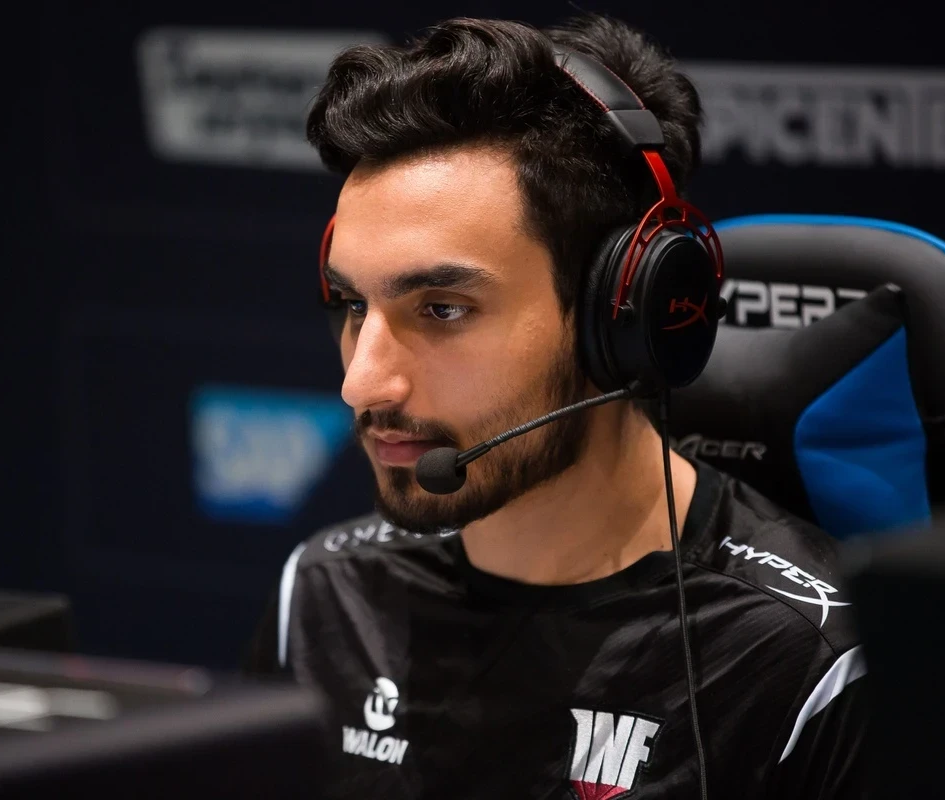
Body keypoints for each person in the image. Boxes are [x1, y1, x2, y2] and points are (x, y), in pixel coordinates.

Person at [244, 12, 867, 799]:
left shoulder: (801, 659)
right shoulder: (326, 594)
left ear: (621, 318)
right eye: (352, 304)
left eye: (442, 309)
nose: (362, 384)